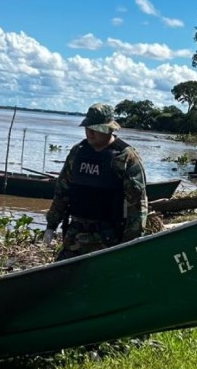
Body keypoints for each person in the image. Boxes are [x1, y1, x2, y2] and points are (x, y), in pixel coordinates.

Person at [42, 103, 149, 261]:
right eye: (87, 128)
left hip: (108, 237)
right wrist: (51, 225)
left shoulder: (125, 157)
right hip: (75, 235)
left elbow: (137, 205)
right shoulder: (78, 152)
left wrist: (130, 244)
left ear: (109, 129)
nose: (90, 133)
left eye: (95, 129)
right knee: (61, 271)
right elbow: (62, 191)